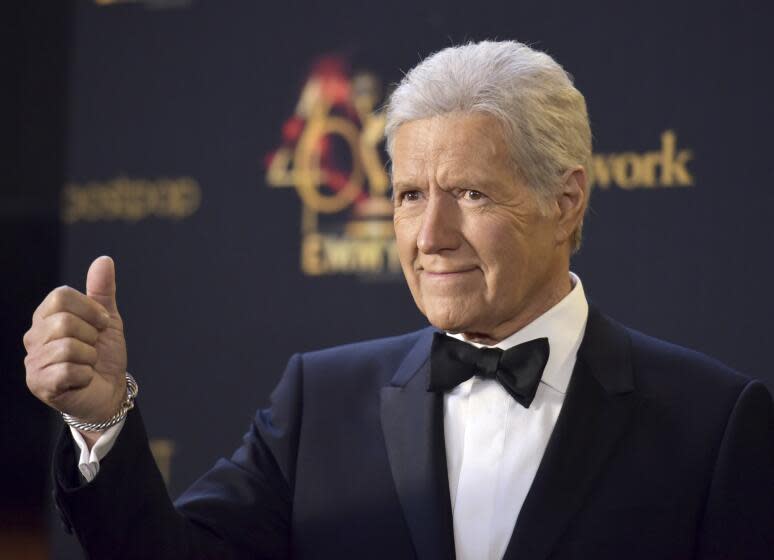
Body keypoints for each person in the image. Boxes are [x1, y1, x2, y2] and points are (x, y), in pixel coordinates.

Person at [23, 40, 773, 560]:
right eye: (411, 195)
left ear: (567, 201)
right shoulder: (320, 402)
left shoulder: (712, 425)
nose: (430, 235)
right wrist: (101, 420)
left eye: (470, 194)